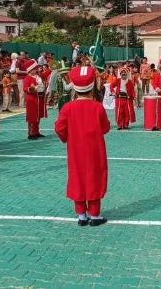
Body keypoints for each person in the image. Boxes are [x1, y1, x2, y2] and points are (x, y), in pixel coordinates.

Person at [55, 65, 111, 227]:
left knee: (77, 177)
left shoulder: (68, 107)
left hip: (75, 149)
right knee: (95, 177)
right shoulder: (97, 107)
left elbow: (59, 128)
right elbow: (105, 128)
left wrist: (67, 137)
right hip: (95, 150)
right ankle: (95, 214)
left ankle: (81, 215)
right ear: (92, 86)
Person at [23, 59, 49, 139]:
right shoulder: (27, 78)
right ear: (30, 70)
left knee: (38, 116)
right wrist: (31, 88)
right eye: (34, 69)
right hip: (33, 99)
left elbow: (45, 74)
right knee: (32, 116)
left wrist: (52, 68)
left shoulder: (38, 76)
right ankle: (31, 133)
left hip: (40, 98)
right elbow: (25, 88)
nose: (36, 70)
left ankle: (36, 132)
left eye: (36, 68)